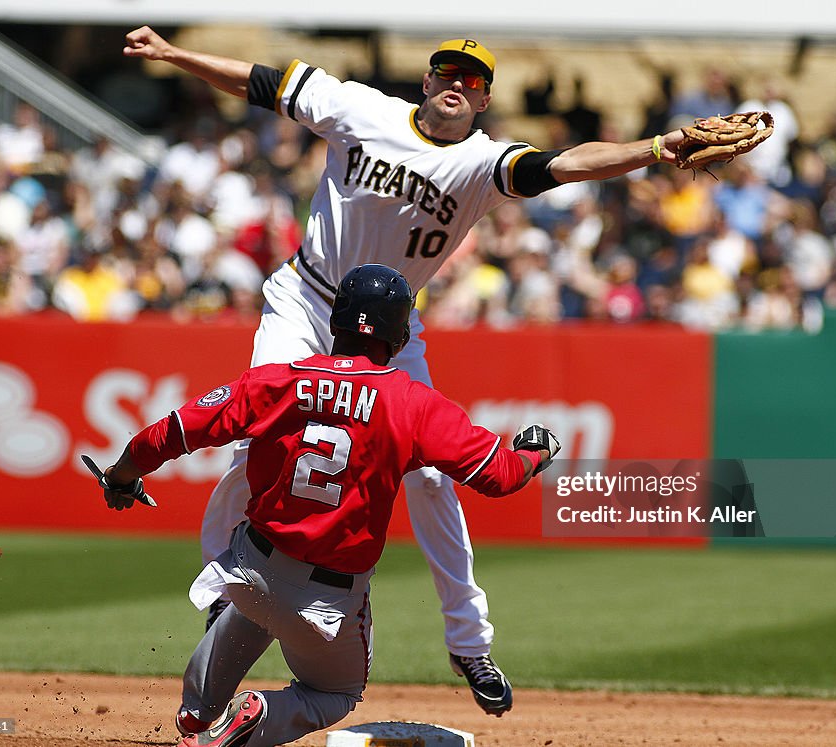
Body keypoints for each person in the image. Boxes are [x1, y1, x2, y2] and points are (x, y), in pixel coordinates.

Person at [122, 25, 688, 716]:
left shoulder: (482, 162)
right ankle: (221, 597)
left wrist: (659, 148)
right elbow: (262, 82)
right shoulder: (361, 108)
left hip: (392, 327)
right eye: (447, 71)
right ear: (426, 81)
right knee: (255, 438)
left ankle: (469, 642)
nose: (458, 83)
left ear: (483, 101)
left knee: (427, 473)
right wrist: (174, 55)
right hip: (305, 300)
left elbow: (568, 164)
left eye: (473, 80)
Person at [94, 264, 560, 747]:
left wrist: (121, 476)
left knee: (254, 604)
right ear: (400, 334)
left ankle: (196, 713)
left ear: (335, 320)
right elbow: (499, 475)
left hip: (251, 568)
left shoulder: (274, 381)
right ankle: (258, 716)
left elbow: (170, 433)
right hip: (327, 600)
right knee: (336, 693)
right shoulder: (414, 404)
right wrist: (535, 452)